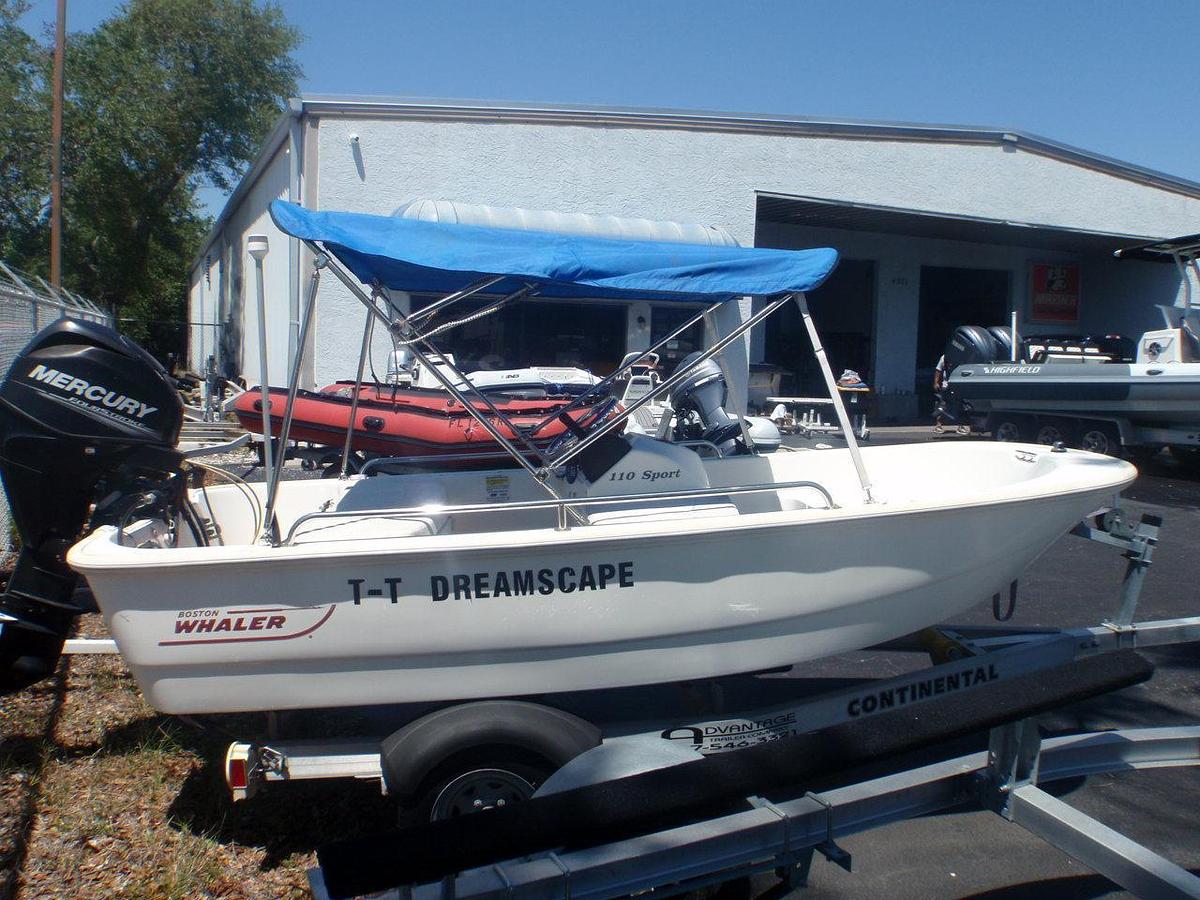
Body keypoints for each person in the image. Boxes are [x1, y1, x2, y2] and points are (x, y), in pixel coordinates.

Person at [932, 355, 969, 435]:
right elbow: (938, 370)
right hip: (946, 386)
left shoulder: (963, 355)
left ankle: (960, 426)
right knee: (943, 405)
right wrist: (936, 382)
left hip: (958, 385)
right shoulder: (944, 358)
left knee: (960, 405)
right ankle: (938, 426)